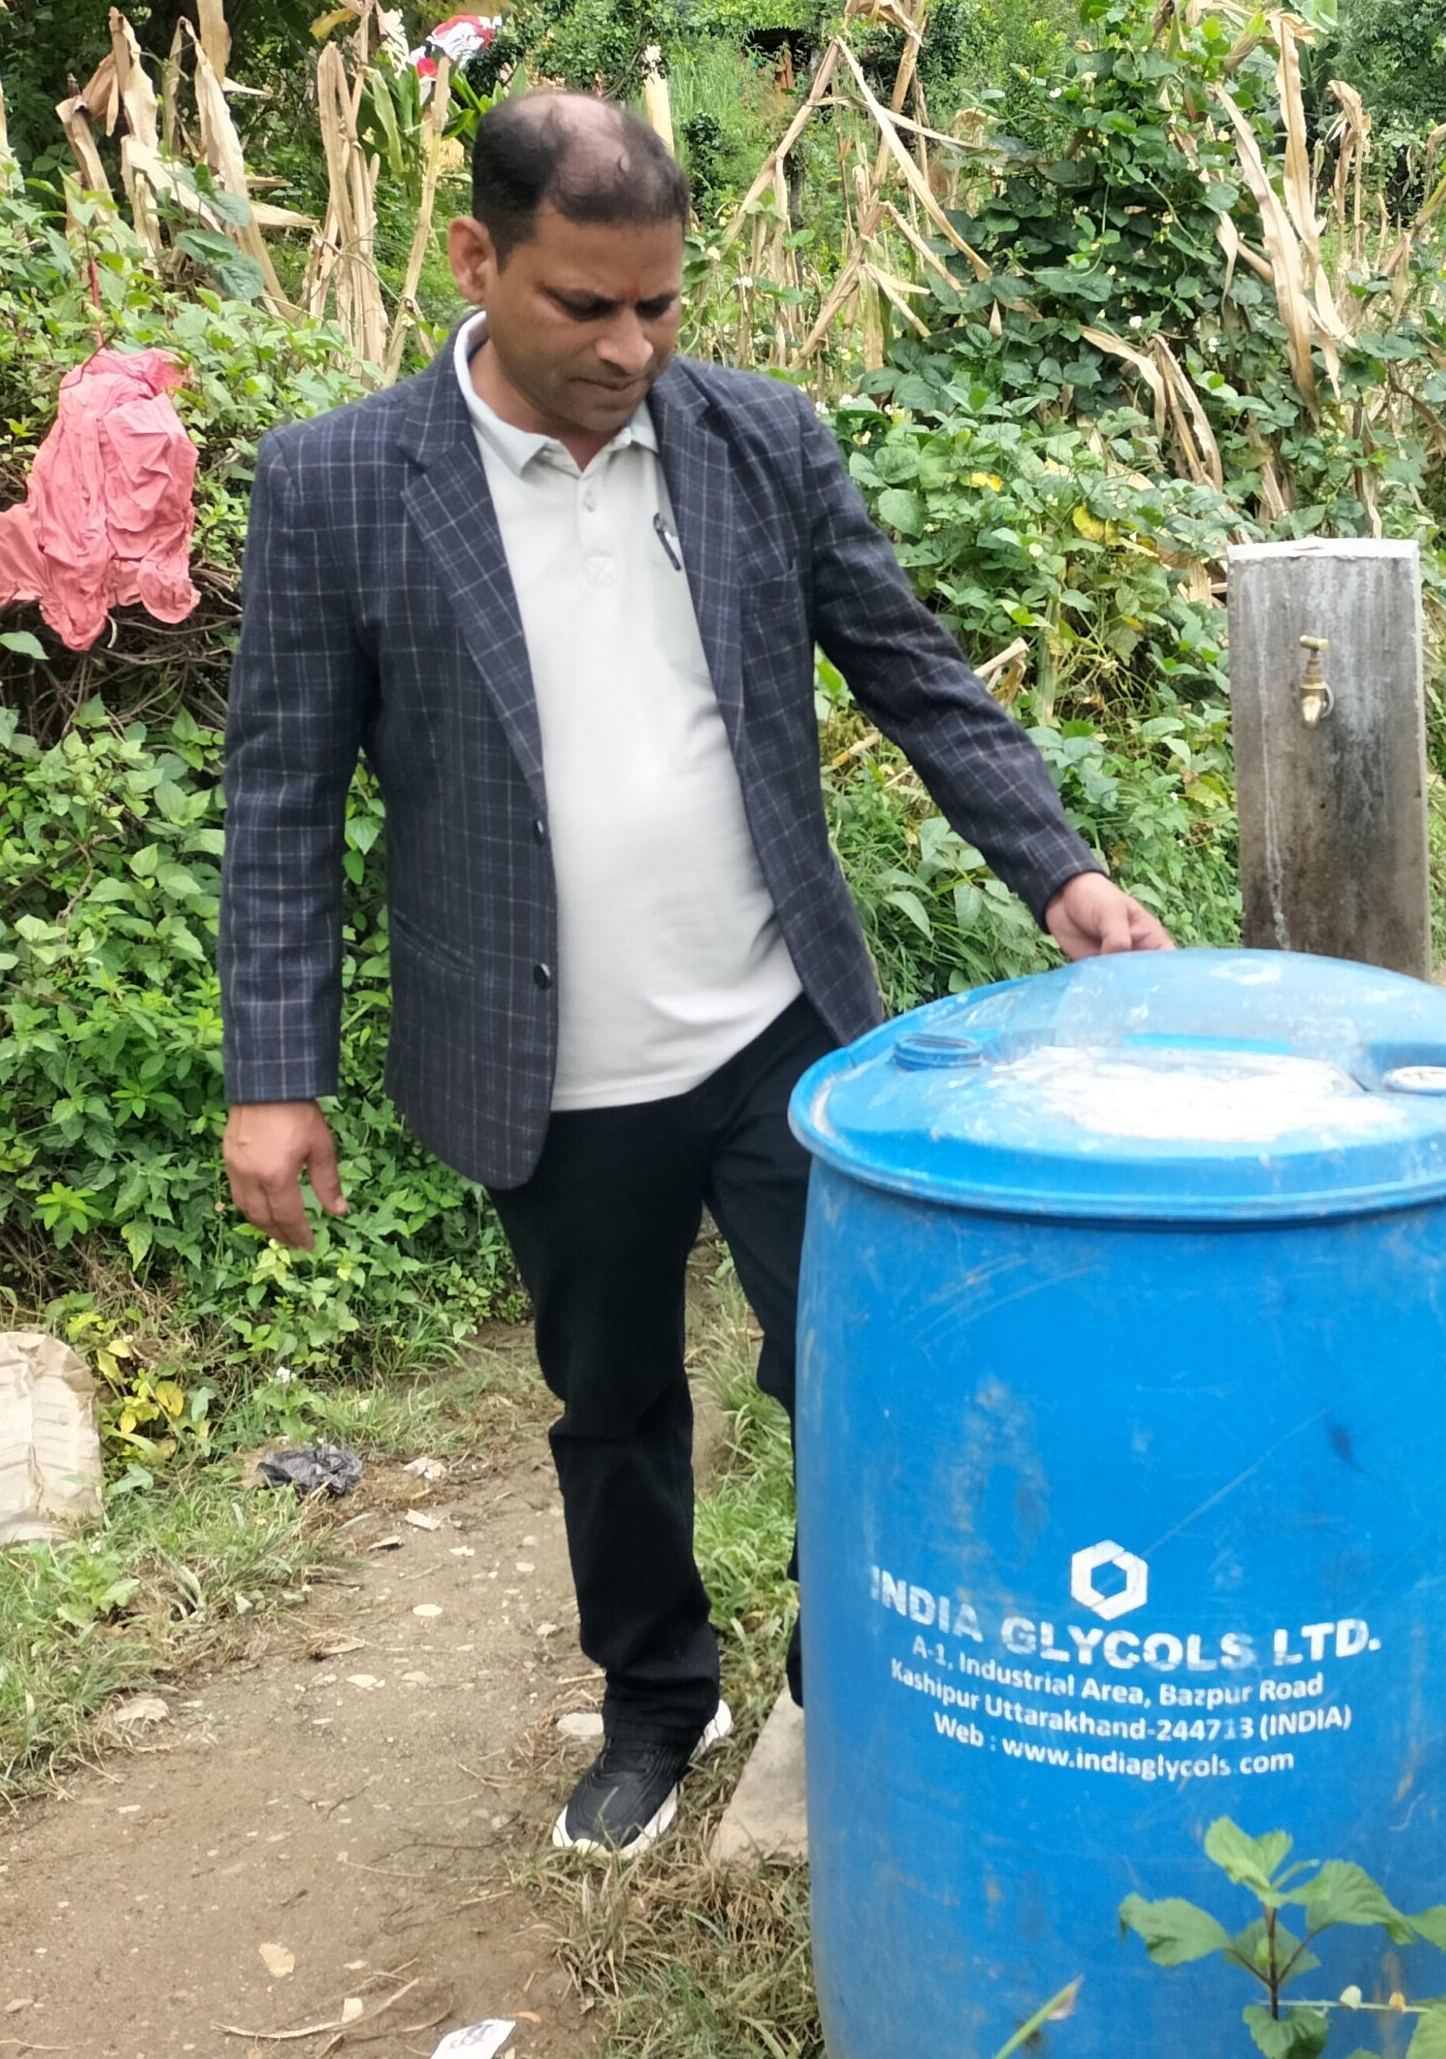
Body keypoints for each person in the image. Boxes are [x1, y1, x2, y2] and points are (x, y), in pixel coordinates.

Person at [217, 96, 1170, 1859]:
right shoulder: (342, 483)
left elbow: (913, 672)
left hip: (779, 1027)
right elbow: (279, 796)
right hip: (545, 1057)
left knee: (861, 1370)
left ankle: (854, 1667)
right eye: (588, 307)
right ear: (476, 262)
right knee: (617, 1403)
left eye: (660, 306)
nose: (632, 347)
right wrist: (274, 1074)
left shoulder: (752, 439)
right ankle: (660, 1700)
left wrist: (1066, 870)